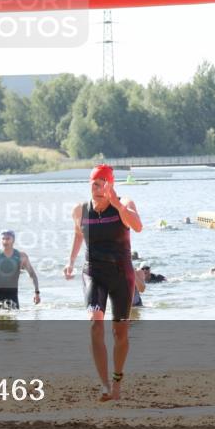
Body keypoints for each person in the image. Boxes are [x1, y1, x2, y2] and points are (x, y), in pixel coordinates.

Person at [65, 164, 143, 402]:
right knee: (94, 322)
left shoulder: (125, 203)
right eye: (93, 184)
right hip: (93, 271)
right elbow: (79, 234)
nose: (96, 189)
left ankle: (117, 381)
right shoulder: (80, 210)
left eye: (101, 184)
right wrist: (70, 262)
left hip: (121, 273)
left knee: (120, 332)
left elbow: (137, 227)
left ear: (110, 184)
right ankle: (105, 384)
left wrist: (118, 205)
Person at [0, 230, 40, 310]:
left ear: (13, 240)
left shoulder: (22, 256)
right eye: (3, 239)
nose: (5, 241)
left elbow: (32, 275)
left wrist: (37, 293)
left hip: (12, 295)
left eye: (8, 239)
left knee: (13, 321)